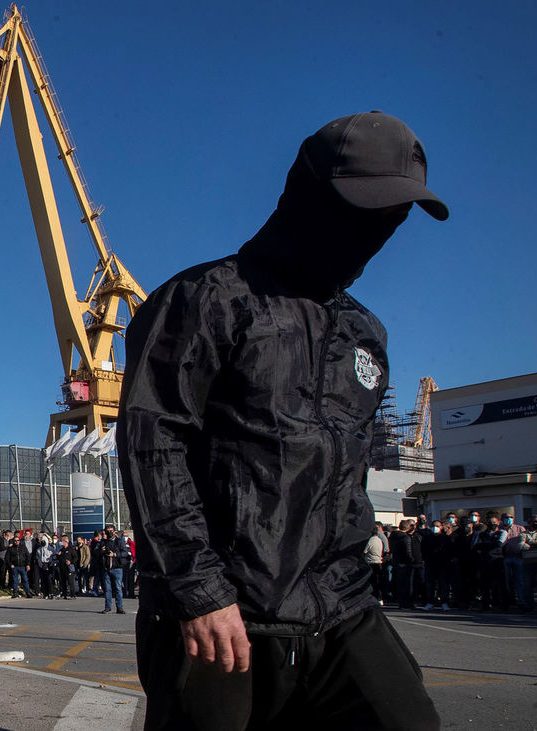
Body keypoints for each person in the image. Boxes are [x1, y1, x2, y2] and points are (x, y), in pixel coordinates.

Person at [118, 111, 447, 729]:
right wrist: (199, 592)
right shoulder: (203, 301)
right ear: (309, 193)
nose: (380, 229)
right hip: (223, 617)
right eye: (368, 208)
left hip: (341, 608)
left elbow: (344, 482)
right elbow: (152, 444)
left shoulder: (365, 335)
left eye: (395, 215)